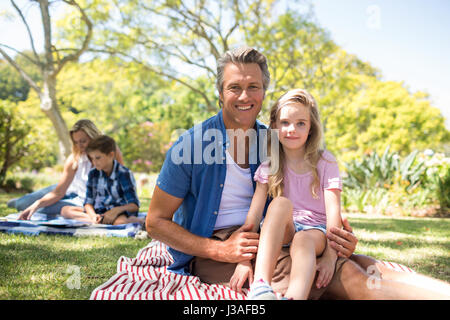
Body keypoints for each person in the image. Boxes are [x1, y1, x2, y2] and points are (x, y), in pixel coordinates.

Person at [146, 46, 450, 299]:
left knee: (364, 264)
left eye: (253, 86)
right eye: (234, 87)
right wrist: (221, 250)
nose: (244, 96)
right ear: (220, 93)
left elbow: (310, 193)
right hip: (223, 248)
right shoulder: (191, 146)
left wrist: (337, 239)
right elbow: (155, 222)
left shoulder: (274, 141)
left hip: (284, 234)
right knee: (354, 281)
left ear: (264, 92)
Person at [230, 89, 342, 300]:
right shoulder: (270, 164)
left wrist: (330, 256)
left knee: (303, 240)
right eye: (285, 123)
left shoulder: (326, 162)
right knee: (280, 203)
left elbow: (334, 213)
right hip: (284, 229)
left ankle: (294, 297)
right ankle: (261, 287)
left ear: (311, 128)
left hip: (314, 232)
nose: (292, 129)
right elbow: (253, 217)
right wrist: (243, 259)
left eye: (301, 123)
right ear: (274, 126)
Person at [10, 119, 124, 220]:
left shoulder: (111, 152)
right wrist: (36, 204)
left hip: (81, 199)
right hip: (68, 188)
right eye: (76, 142)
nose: (80, 146)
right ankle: (18, 201)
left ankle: (22, 203)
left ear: (93, 137)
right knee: (25, 204)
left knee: (46, 209)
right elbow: (58, 192)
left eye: (83, 141)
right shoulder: (75, 158)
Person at [61, 135, 143, 225]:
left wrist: (115, 211)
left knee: (120, 221)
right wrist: (93, 215)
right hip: (99, 211)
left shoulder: (124, 173)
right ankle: (99, 220)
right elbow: (88, 202)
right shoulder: (93, 174)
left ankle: (123, 220)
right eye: (92, 158)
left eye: (98, 158)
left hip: (119, 212)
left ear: (111, 155)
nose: (94, 162)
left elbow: (134, 206)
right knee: (65, 210)